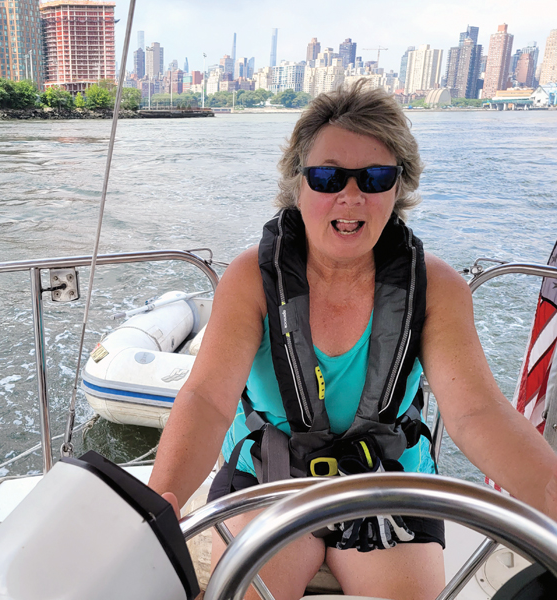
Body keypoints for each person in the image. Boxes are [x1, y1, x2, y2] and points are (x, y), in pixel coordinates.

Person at [148, 80, 557, 600]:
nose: (351, 194)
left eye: (375, 177)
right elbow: (207, 399)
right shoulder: (252, 279)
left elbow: (476, 412)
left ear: (398, 188)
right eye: (326, 176)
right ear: (297, 187)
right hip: (271, 477)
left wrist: (550, 491)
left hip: (386, 476)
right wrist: (156, 506)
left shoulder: (439, 290)